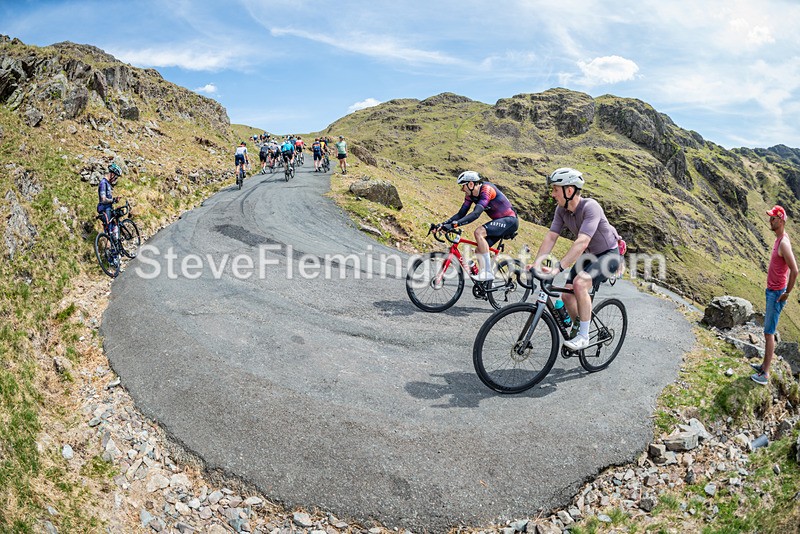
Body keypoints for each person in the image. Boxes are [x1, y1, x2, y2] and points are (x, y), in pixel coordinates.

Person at [532, 167, 622, 351]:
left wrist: (558, 268)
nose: (552, 194)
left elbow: (582, 242)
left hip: (609, 254)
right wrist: (537, 263)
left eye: (555, 189)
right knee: (566, 295)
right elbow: (551, 237)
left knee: (580, 284)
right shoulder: (561, 210)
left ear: (569, 190)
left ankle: (583, 336)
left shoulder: (591, 207)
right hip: (589, 255)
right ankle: (580, 327)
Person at [438, 171, 518, 282]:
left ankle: (487, 273)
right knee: (479, 250)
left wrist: (454, 224)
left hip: (510, 221)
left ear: (471, 184)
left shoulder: (486, 190)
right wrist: (443, 224)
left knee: (479, 232)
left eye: (463, 186)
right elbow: (461, 213)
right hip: (500, 222)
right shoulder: (470, 195)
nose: (462, 189)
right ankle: (488, 283)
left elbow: (476, 214)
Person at [751, 205, 798, 385]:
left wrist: (786, 293)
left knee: (769, 333)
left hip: (777, 294)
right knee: (767, 332)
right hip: (772, 291)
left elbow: (795, 270)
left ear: (781, 220)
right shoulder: (779, 239)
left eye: (773, 218)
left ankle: (765, 374)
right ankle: (763, 366)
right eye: (770, 218)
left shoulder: (783, 242)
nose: (770, 221)